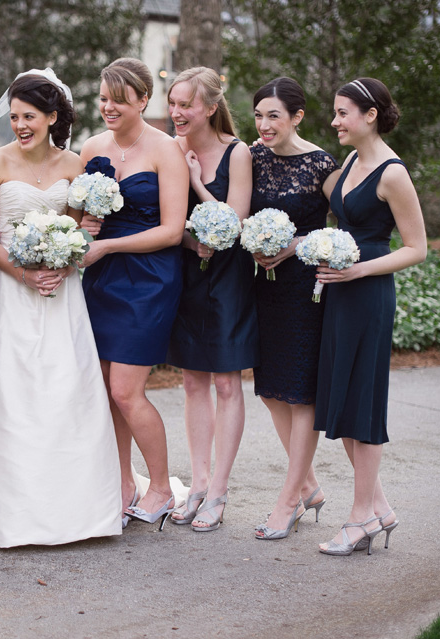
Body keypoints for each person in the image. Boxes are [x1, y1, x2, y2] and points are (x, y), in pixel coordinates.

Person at [0, 70, 122, 547]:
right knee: (9, 394)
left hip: (62, 292)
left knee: (65, 391)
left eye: (29, 116)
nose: (20, 125)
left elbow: (77, 231)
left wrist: (65, 264)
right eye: (13, 117)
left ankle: (78, 509)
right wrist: (24, 273)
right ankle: (6, 509)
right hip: (10, 290)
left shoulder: (75, 165)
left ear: (52, 117)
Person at [314, 78, 425, 555]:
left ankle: (360, 519)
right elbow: (332, 198)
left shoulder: (392, 172)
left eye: (343, 113)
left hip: (369, 293)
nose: (335, 121)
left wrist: (358, 269)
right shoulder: (351, 160)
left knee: (364, 403)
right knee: (340, 402)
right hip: (339, 292)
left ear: (370, 114)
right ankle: (378, 507)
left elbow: (417, 249)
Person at [79, 58, 189, 528]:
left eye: (119, 101)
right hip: (100, 279)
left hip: (149, 277)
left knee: (127, 391)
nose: (109, 108)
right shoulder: (91, 148)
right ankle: (123, 483)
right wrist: (83, 228)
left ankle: (161, 487)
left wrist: (106, 244)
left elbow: (171, 230)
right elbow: (78, 214)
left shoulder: (166, 150)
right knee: (106, 391)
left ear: (144, 100)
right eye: (104, 99)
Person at [248, 77, 341, 541]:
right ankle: (308, 484)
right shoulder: (252, 155)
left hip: (307, 289)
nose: (264, 125)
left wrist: (294, 245)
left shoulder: (323, 163)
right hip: (263, 287)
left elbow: (347, 231)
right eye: (259, 115)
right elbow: (235, 211)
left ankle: (289, 502)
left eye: (274, 116)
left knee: (301, 393)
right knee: (269, 388)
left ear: (297, 117)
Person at [164, 67, 257, 532]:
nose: (177, 113)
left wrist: (198, 181)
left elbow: (234, 223)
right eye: (173, 103)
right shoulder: (169, 148)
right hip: (187, 275)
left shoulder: (237, 153)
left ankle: (219, 490)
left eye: (186, 105)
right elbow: (165, 221)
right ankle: (197, 484)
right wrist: (187, 240)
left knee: (225, 383)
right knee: (192, 382)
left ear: (210, 107)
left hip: (228, 279)